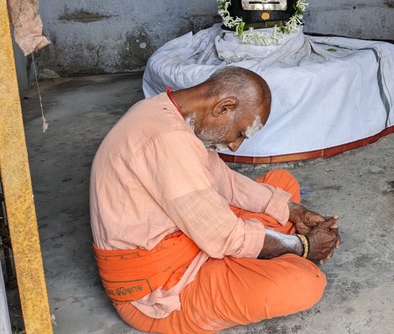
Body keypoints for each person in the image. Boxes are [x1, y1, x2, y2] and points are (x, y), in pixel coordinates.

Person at [89, 66, 341, 333]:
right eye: (240, 133)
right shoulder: (168, 139)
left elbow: (225, 181)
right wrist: (303, 246)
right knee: (306, 283)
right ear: (224, 107)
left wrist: (295, 212)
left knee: (282, 184)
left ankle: (267, 250)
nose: (235, 146)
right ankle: (272, 251)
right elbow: (224, 235)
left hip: (190, 236)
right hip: (160, 288)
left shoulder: (168, 112)